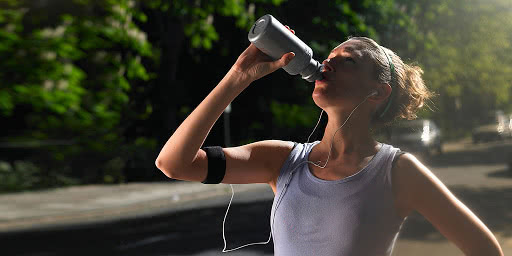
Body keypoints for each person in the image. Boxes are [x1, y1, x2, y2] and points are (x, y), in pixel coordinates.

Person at [155, 34, 504, 255]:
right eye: (330, 56)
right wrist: (238, 76)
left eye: (348, 60)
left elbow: (485, 249)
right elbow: (174, 164)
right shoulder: (282, 160)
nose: (328, 62)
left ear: (377, 91)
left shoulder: (396, 172)